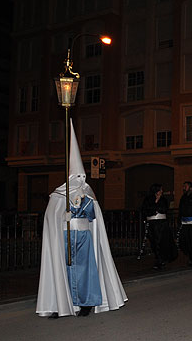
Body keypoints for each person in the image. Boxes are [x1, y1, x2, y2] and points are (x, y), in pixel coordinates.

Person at [37, 120, 127, 318]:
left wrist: (84, 203)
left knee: (85, 270)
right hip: (65, 235)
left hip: (84, 236)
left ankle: (86, 303)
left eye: (82, 175)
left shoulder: (87, 191)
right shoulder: (59, 193)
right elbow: (51, 215)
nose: (80, 179)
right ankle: (61, 303)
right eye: (76, 175)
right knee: (63, 268)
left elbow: (94, 215)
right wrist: (63, 215)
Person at [141, 183, 178, 270]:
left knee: (162, 241)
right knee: (154, 242)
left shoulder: (164, 199)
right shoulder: (148, 199)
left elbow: (164, 209)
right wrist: (155, 207)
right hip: (152, 224)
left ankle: (162, 259)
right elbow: (145, 210)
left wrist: (156, 207)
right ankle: (158, 258)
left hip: (161, 224)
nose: (162, 191)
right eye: (160, 189)